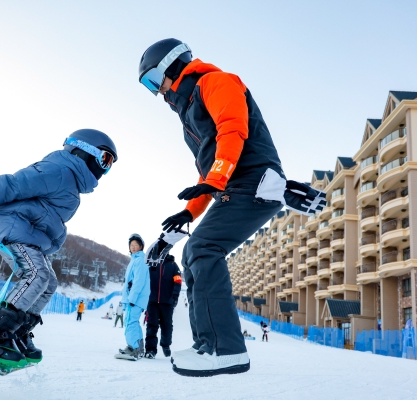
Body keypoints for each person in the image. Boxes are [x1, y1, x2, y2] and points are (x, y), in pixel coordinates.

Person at [138, 39, 326, 377]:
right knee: (193, 254)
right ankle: (206, 344)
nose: (156, 91)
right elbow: (206, 171)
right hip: (233, 184)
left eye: (154, 80)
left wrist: (217, 177)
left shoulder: (215, 82)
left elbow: (233, 128)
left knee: (203, 248)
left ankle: (227, 350)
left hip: (251, 180)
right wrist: (190, 212)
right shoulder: (188, 115)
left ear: (171, 66)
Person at [0, 129, 118, 370]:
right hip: (11, 226)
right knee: (37, 275)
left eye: (110, 165)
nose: (105, 170)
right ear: (85, 151)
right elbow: (14, 184)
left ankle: (16, 333)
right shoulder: (58, 170)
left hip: (26, 235)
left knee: (49, 282)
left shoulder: (71, 184)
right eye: (105, 159)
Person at [118, 234, 150, 360]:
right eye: (131, 245)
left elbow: (139, 281)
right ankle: (137, 348)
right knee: (133, 322)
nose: (133, 247)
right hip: (134, 298)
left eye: (136, 245)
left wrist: (132, 298)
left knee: (130, 322)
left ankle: (134, 348)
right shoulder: (134, 260)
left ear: (141, 246)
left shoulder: (140, 260)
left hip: (135, 299)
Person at [144, 254, 182, 359]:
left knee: (167, 325)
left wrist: (175, 296)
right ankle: (150, 350)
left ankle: (165, 344)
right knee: (152, 325)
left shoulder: (173, 265)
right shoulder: (151, 264)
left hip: (167, 301)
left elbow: (178, 281)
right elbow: (143, 278)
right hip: (152, 301)